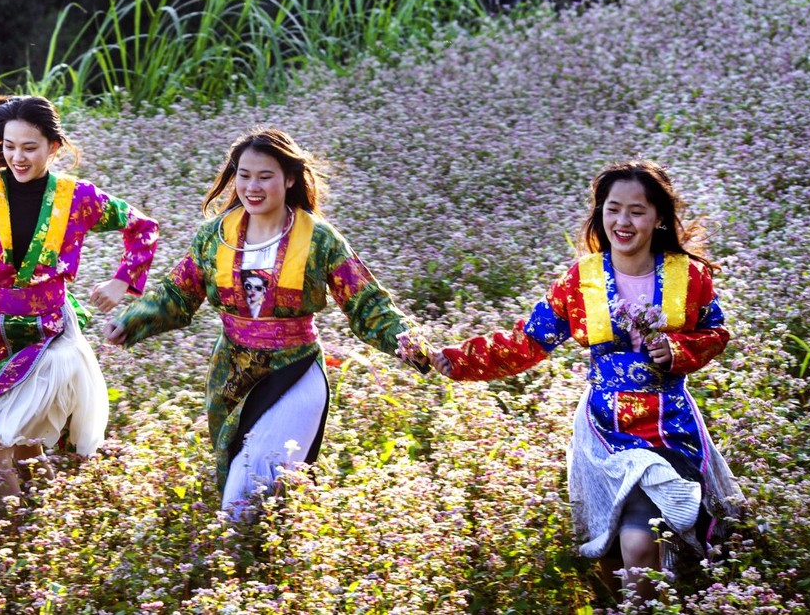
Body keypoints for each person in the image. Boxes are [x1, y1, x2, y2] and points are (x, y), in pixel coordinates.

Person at [432, 160, 744, 602]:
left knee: (646, 543)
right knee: (621, 553)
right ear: (599, 214)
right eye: (612, 209)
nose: (622, 221)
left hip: (670, 428)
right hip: (605, 433)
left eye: (636, 211)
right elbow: (528, 341)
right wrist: (457, 360)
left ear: (658, 219)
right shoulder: (582, 280)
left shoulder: (687, 277)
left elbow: (716, 333)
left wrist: (678, 351)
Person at [103, 127, 431, 519]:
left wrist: (411, 344)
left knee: (250, 486)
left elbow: (367, 304)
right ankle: (256, 568)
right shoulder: (215, 236)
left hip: (294, 370)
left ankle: (242, 561)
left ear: (290, 178)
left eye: (265, 176)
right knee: (246, 484)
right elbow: (177, 294)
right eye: (243, 175)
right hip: (230, 375)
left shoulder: (320, 239)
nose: (252, 187)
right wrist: (130, 321)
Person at [0, 95, 159, 501]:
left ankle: (8, 558)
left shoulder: (76, 196)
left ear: (53, 147)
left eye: (30, 147)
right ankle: (46, 536)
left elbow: (142, 228)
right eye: (10, 146)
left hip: (49, 340)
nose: (18, 157)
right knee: (24, 450)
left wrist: (123, 282)